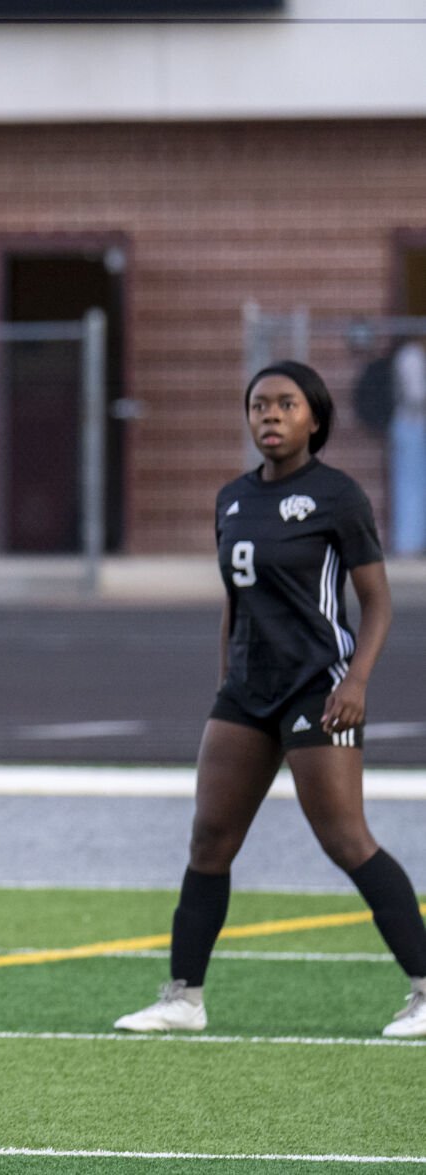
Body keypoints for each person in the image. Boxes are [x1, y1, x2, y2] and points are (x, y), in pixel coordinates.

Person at [114, 360, 426, 1039]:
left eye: (285, 404)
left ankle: (424, 987)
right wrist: (227, 676)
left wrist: (356, 681)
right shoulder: (230, 499)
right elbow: (236, 602)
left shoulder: (337, 496)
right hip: (246, 693)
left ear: (313, 418)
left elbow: (376, 602)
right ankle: (183, 997)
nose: (269, 416)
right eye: (258, 405)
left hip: (319, 687)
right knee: (208, 839)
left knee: (345, 838)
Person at [389, 337, 425, 557]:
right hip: (410, 424)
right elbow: (415, 395)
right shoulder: (411, 355)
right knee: (409, 486)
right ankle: (408, 542)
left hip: (415, 425)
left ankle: (414, 541)